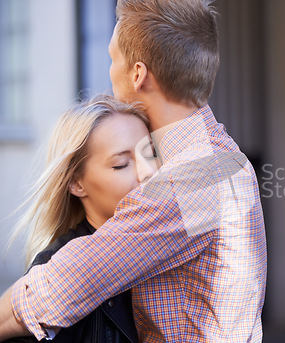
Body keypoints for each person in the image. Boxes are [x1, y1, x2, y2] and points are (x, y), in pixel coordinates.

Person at [0, 0, 267, 342]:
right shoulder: (227, 157)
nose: (109, 71)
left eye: (113, 59)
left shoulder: (189, 183)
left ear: (138, 74)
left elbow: (63, 287)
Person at [3, 95, 158, 342]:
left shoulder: (172, 241)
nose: (148, 172)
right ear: (76, 183)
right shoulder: (53, 270)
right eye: (121, 164)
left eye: (150, 154)